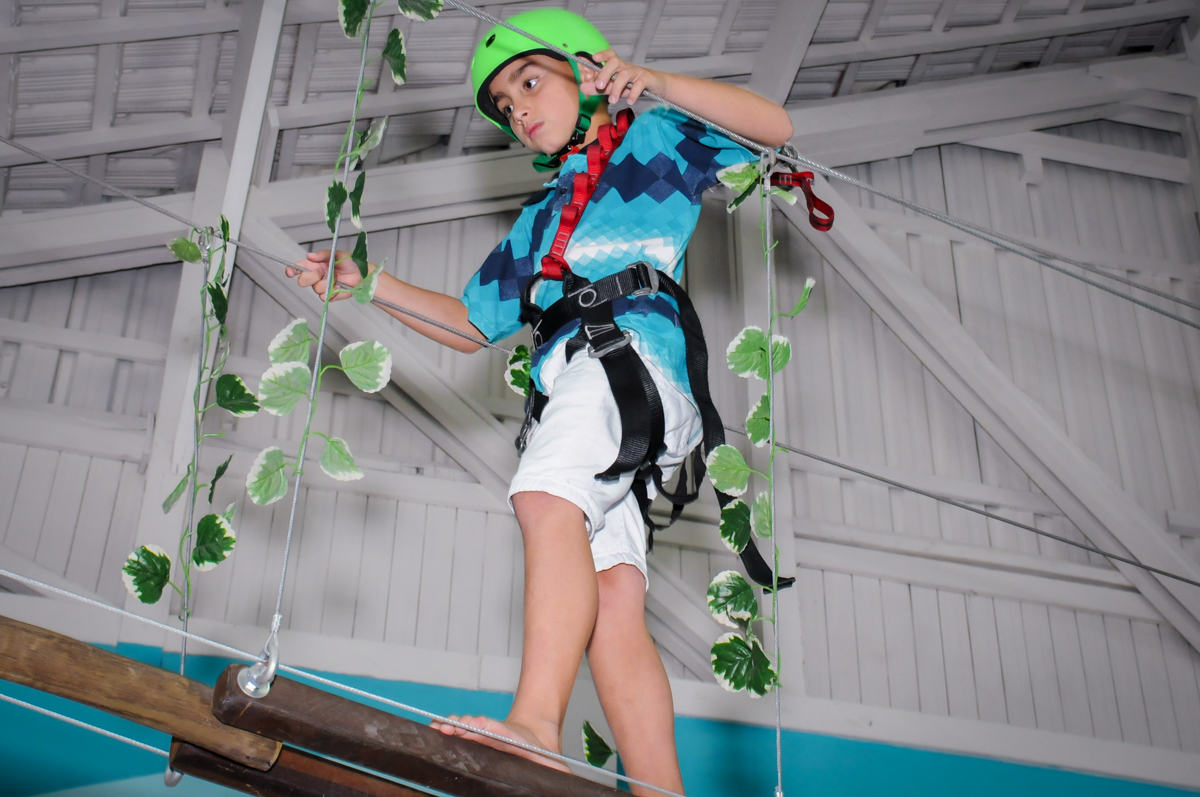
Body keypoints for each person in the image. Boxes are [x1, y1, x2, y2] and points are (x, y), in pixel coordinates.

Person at [288, 9, 792, 795]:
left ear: (589, 72)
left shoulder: (654, 140)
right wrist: (372, 284)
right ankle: (664, 789)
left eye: (530, 80)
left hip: (626, 362)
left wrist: (654, 82)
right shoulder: (536, 224)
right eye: (504, 104)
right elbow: (468, 324)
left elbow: (774, 127)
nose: (518, 109)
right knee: (615, 599)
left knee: (545, 496)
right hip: (608, 397)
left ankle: (534, 722)